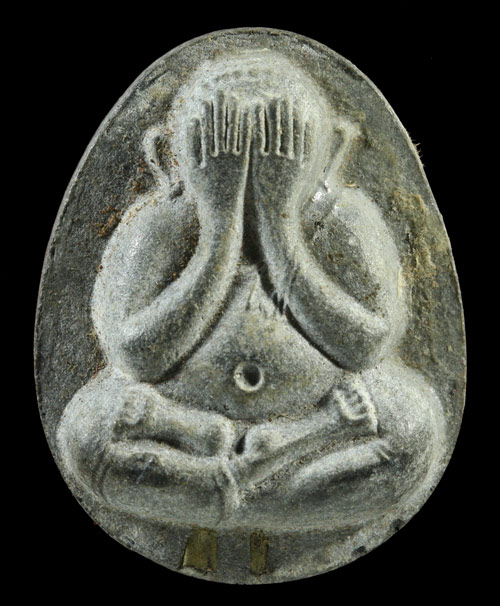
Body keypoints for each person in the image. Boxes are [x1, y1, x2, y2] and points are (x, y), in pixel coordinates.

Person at [57, 52, 441, 530]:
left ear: (331, 154)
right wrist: (220, 232)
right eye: (222, 146)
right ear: (168, 156)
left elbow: (366, 348)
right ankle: (249, 484)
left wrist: (280, 231)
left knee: (413, 427)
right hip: (185, 432)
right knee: (85, 430)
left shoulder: (344, 220)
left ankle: (216, 492)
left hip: (317, 430)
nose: (247, 169)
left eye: (282, 145)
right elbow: (136, 356)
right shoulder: (162, 224)